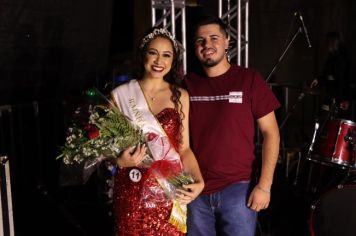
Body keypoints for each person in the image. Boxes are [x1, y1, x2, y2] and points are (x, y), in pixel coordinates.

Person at [184, 15, 280, 236]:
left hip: (238, 190)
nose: (207, 45)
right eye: (200, 40)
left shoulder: (249, 80)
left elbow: (271, 133)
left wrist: (264, 186)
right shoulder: (187, 85)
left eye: (214, 38)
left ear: (227, 41)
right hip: (195, 190)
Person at [110, 27, 204, 235]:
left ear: (173, 60)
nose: (159, 61)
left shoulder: (180, 96)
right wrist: (117, 161)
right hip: (131, 187)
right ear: (143, 54)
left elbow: (184, 149)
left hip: (169, 188)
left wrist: (200, 182)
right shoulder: (120, 95)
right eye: (153, 52)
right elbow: (103, 147)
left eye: (166, 55)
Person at [310, 31, 351, 120]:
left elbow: (346, 80)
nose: (326, 45)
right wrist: (318, 80)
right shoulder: (330, 59)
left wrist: (346, 99)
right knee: (322, 118)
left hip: (340, 99)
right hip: (330, 97)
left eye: (328, 42)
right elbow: (326, 76)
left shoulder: (343, 60)